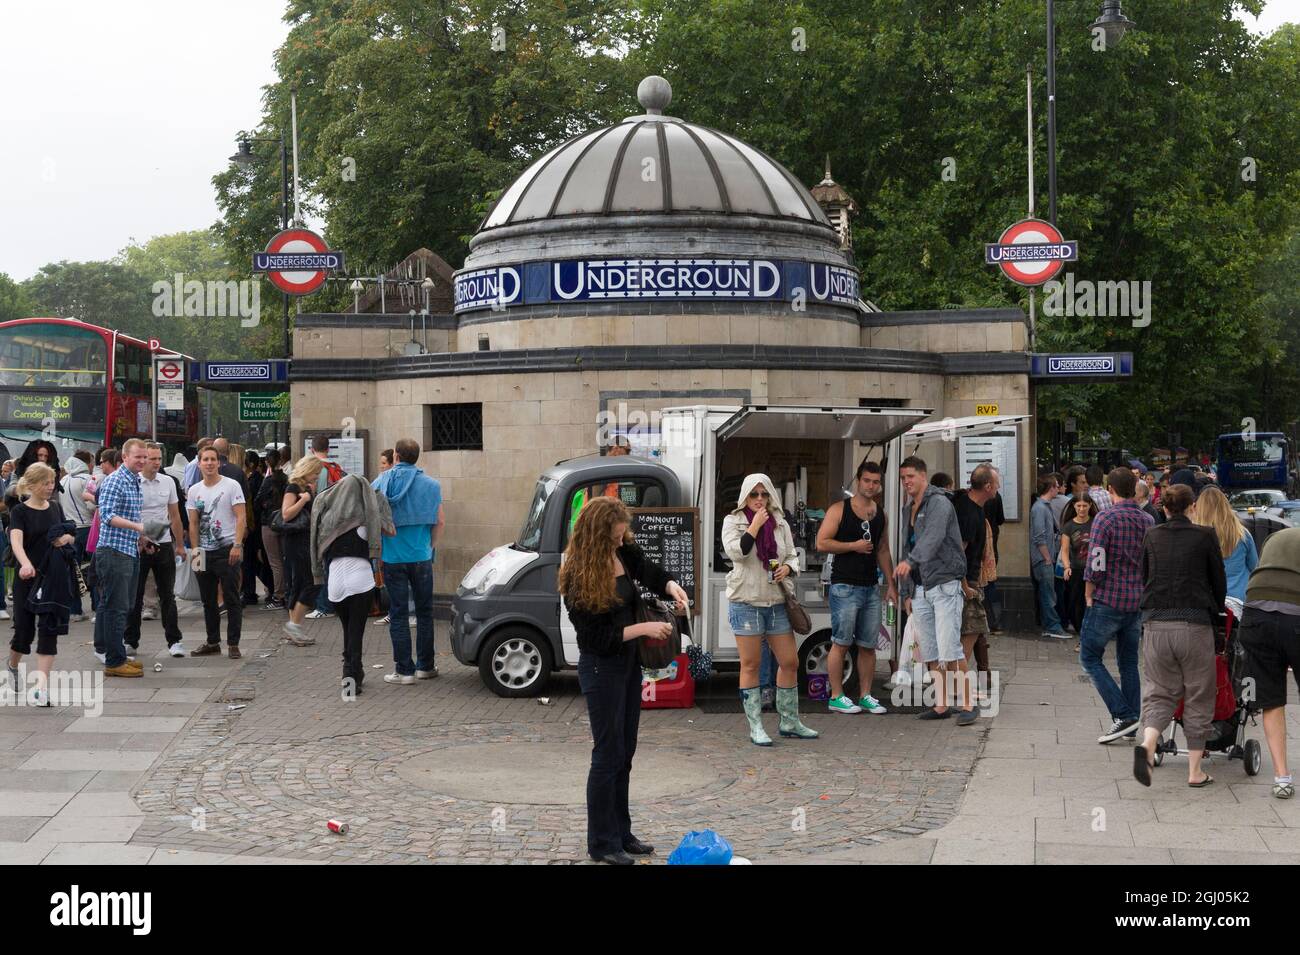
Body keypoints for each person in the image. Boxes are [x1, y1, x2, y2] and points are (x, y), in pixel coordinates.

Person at [558, 496, 688, 864]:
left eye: (622, 535)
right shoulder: (577, 576)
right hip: (601, 668)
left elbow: (648, 569)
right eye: (614, 537)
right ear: (597, 536)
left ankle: (621, 831)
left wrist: (671, 585)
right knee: (607, 754)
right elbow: (595, 640)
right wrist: (644, 627)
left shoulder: (624, 549)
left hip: (628, 665)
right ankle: (601, 843)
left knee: (625, 752)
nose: (620, 541)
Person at [1132, 484, 1226, 788]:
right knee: (1199, 694)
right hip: (1194, 625)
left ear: (1165, 508)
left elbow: (1145, 575)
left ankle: (1148, 743)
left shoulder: (1152, 535)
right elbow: (1218, 582)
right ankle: (1195, 771)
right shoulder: (1205, 536)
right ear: (1191, 507)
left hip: (1156, 624)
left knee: (1159, 691)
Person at [722, 473, 820, 744]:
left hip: (776, 603)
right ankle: (756, 726)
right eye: (754, 494)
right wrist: (754, 527)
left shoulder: (781, 524)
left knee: (790, 661)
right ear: (745, 497)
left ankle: (789, 721)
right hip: (746, 601)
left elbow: (791, 554)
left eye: (764, 494)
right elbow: (737, 553)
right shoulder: (734, 521)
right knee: (751, 664)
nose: (760, 499)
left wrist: (788, 567)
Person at [894, 456, 976, 724]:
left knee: (950, 647)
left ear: (923, 475)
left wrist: (910, 562)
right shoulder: (908, 508)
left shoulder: (939, 503)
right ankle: (942, 705)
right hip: (921, 588)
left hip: (944, 584)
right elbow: (907, 546)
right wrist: (907, 591)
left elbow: (933, 537)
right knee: (930, 650)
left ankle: (968, 703)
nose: (906, 482)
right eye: (903, 477)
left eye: (910, 476)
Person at [816, 460, 895, 716]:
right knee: (840, 642)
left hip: (871, 587)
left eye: (875, 482)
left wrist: (891, 584)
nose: (871, 486)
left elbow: (883, 549)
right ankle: (836, 696)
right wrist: (853, 546)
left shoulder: (880, 513)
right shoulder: (839, 509)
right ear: (858, 481)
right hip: (844, 586)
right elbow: (822, 542)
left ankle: (866, 695)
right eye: (867, 481)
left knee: (868, 645)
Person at [1082, 466, 1154, 744]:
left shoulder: (1104, 519)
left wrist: (1089, 591)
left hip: (1108, 598)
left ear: (1110, 489)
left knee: (1089, 657)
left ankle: (1123, 714)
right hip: (1136, 600)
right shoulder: (1148, 520)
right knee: (1128, 662)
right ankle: (1131, 720)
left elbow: (1096, 560)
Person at [309, 473, 394, 696]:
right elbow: (388, 529)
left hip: (335, 583)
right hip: (361, 580)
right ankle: (350, 677)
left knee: (348, 630)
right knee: (356, 633)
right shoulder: (367, 515)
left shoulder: (328, 517)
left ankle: (356, 672)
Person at [371, 438, 443, 684]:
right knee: (424, 612)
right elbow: (439, 521)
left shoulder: (381, 482)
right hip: (421, 556)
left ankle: (404, 671)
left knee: (398, 613)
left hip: (392, 557)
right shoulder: (432, 485)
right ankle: (426, 666)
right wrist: (429, 546)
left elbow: (373, 519)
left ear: (396, 456)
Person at [5, 463, 76, 706]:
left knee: (49, 630)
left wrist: (65, 538)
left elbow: (69, 533)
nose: (50, 487)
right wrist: (25, 564)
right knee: (24, 632)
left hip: (52, 578)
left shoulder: (55, 508)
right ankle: (13, 664)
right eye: (46, 483)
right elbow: (16, 541)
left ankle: (41, 688)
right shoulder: (20, 512)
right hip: (27, 578)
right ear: (32, 485)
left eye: (52, 482)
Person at [1238, 527, 1299, 800]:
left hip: (1255, 613)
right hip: (1296, 615)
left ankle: (1282, 778)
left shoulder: (1278, 536)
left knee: (1272, 699)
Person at [95, 439, 160, 678]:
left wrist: (141, 538)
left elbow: (127, 516)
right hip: (113, 551)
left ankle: (114, 654)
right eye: (138, 457)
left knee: (124, 605)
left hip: (129, 549)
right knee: (117, 607)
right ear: (124, 457)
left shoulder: (133, 481)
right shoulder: (115, 480)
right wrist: (139, 526)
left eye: (145, 457)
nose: (142, 461)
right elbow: (107, 515)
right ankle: (114, 661)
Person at [125, 443, 187, 658]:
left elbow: (175, 515)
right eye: (152, 459)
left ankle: (174, 641)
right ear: (143, 460)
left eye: (159, 459)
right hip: (138, 544)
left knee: (167, 594)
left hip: (163, 543)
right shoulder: (132, 482)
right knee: (135, 594)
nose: (156, 463)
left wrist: (179, 544)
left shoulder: (169, 481)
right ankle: (130, 641)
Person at [186, 447, 246, 658]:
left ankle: (233, 643)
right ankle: (212, 641)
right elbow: (192, 523)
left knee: (231, 598)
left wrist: (237, 545)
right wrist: (194, 551)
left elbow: (241, 517)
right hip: (202, 552)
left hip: (227, 550)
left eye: (213, 459)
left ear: (219, 463)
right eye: (205, 460)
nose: (210, 463)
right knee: (207, 600)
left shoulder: (232, 486)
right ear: (199, 463)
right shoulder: (194, 490)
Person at [953, 465, 999, 709]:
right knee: (969, 633)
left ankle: (958, 688)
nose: (999, 487)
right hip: (967, 581)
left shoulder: (968, 505)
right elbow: (959, 551)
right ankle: (959, 691)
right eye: (997, 483)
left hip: (969, 578)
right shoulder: (970, 513)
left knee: (968, 635)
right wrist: (964, 585)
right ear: (988, 486)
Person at [281, 455, 325, 645]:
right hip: (296, 541)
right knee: (311, 582)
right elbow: (286, 514)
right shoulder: (293, 487)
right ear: (307, 470)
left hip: (305, 539)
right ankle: (294, 626)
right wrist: (303, 500)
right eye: (315, 473)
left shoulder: (306, 488)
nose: (317, 476)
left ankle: (294, 627)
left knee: (300, 583)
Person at [1192, 485, 1258, 605]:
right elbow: (1254, 567)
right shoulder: (1242, 534)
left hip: (1207, 600)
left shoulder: (1194, 537)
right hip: (1240, 598)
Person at [306, 435, 343, 620]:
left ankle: (323, 606)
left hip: (321, 523)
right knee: (332, 563)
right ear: (328, 449)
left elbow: (317, 499)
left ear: (312, 450)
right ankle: (334, 602)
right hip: (336, 522)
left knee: (321, 564)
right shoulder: (336, 468)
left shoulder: (316, 469)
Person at [1030, 474, 1068, 638]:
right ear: (1051, 488)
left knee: (1048, 592)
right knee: (1048, 593)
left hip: (1045, 556)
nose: (1059, 488)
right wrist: (1047, 557)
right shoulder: (1040, 508)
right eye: (1057, 485)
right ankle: (1052, 626)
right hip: (1043, 558)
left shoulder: (1044, 506)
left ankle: (1050, 624)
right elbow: (1039, 536)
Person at [58, 450, 95, 622]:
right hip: (88, 529)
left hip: (69, 530)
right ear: (86, 463)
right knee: (95, 569)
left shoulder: (63, 480)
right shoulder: (87, 480)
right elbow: (91, 506)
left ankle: (75, 610)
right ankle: (97, 606)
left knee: (73, 570)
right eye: (92, 462)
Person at [1058, 492, 1098, 635]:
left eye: (1085, 506)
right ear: (1074, 506)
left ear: (1090, 506)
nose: (1082, 509)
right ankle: (1081, 630)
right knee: (1076, 603)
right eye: (1079, 506)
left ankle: (1091, 630)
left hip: (1094, 569)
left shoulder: (1096, 522)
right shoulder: (1069, 526)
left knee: (1093, 602)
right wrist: (1067, 567)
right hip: (1076, 569)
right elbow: (1065, 549)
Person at [253, 449, 288, 610]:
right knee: (283, 559)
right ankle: (286, 592)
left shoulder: (268, 481)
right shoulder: (286, 479)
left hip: (269, 523)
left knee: (275, 561)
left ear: (267, 462)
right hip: (284, 522)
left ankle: (278, 595)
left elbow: (257, 501)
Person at [983, 483, 1006, 633]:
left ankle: (988, 621)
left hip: (980, 547)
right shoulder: (996, 496)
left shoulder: (972, 498)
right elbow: (1000, 519)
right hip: (991, 546)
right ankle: (995, 622)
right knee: (991, 583)